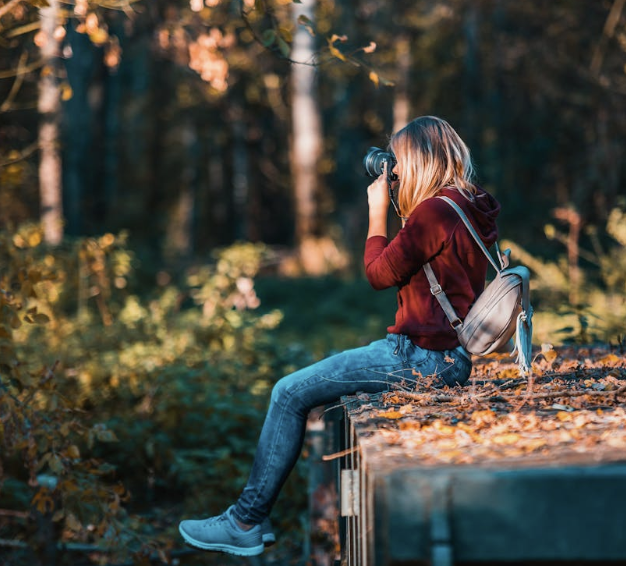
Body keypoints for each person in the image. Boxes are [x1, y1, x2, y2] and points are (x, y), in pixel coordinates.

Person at [177, 115, 501, 556]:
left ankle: (245, 521)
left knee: (288, 392)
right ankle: (248, 519)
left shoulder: (434, 212)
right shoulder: (471, 203)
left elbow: (378, 274)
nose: (395, 171)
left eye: (399, 161)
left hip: (420, 357)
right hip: (451, 357)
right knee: (308, 388)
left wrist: (376, 212)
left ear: (419, 160)